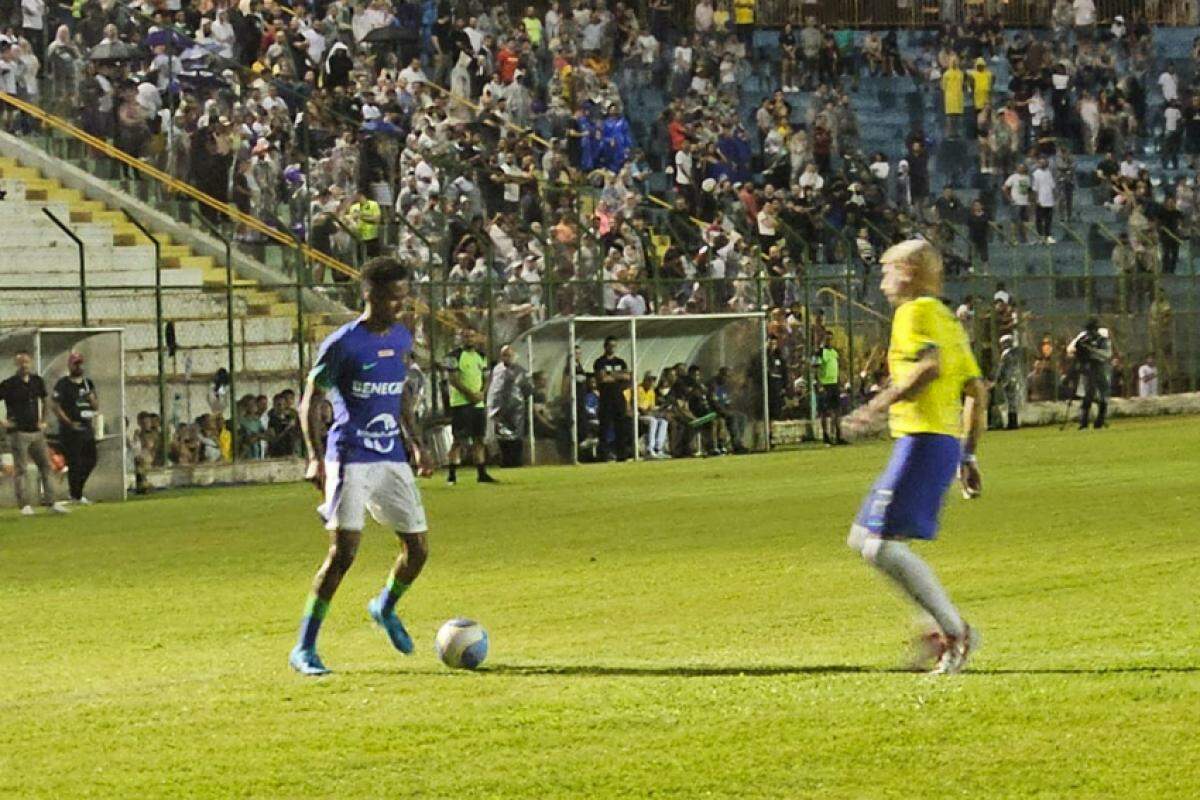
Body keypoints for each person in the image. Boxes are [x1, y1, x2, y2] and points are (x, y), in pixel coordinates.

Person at [842, 239, 987, 675]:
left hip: (922, 438)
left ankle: (954, 632)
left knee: (877, 546)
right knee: (864, 539)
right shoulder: (947, 319)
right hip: (939, 443)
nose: (884, 281)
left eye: (888, 271)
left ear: (907, 271)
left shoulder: (915, 313)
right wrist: (968, 456)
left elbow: (930, 367)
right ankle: (938, 626)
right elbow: (977, 391)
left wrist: (875, 405)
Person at [290, 257, 434, 677]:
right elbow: (309, 402)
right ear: (369, 295)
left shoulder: (402, 337)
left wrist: (416, 443)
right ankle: (304, 648)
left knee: (419, 549)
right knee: (343, 554)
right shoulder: (342, 344)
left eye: (404, 298)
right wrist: (315, 457)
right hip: (349, 455)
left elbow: (401, 394)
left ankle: (384, 607)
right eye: (392, 298)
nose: (399, 306)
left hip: (390, 456)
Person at [0, 352, 70, 516]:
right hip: (18, 432)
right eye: (21, 362)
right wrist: (3, 422)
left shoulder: (37, 381)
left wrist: (43, 420)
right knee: (21, 469)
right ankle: (24, 504)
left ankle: (52, 502)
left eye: (26, 362)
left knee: (46, 466)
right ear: (16, 364)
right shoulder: (9, 384)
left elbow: (46, 400)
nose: (24, 365)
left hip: (36, 431)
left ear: (30, 363)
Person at [443, 328, 497, 484]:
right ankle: (452, 475)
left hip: (478, 404)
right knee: (458, 439)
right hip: (461, 404)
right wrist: (470, 394)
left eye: (472, 336)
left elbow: (487, 377)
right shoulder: (453, 356)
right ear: (460, 338)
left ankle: (481, 474)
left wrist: (482, 393)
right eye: (465, 336)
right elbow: (453, 379)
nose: (469, 339)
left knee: (479, 439)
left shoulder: (482, 356)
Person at [50, 352, 99, 504]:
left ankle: (77, 491)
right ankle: (75, 494)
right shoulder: (63, 384)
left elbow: (96, 406)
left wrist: (91, 398)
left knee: (91, 459)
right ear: (70, 365)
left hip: (86, 427)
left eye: (80, 364)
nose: (79, 367)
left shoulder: (87, 383)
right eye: (76, 364)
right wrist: (69, 423)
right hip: (71, 429)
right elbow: (56, 406)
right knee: (75, 462)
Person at [486, 345, 531, 468]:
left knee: (516, 438)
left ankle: (516, 462)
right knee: (502, 437)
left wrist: (518, 402)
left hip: (515, 410)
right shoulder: (496, 370)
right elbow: (493, 387)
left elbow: (527, 389)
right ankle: (506, 461)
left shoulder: (520, 371)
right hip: (499, 410)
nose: (506, 358)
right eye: (504, 355)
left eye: (508, 355)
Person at [1067, 319, 1113, 430]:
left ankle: (1100, 420)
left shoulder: (1103, 340)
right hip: (1087, 368)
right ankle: (1084, 422)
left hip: (1100, 367)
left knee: (1103, 394)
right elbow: (1071, 350)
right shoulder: (1083, 339)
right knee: (1088, 395)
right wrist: (1078, 351)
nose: (1090, 333)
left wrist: (1092, 350)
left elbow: (1107, 355)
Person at [593, 335, 631, 461]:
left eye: (614, 346)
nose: (612, 348)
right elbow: (602, 378)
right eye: (610, 346)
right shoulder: (600, 362)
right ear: (605, 346)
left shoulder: (620, 362)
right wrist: (618, 376)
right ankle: (603, 454)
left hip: (619, 398)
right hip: (606, 399)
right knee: (605, 426)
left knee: (621, 426)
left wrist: (612, 375)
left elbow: (627, 377)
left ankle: (622, 454)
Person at [814, 332, 846, 446]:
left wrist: (840, 382)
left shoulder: (834, 352)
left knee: (836, 411)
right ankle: (826, 436)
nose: (829, 341)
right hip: (825, 384)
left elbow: (837, 368)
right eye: (827, 339)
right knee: (824, 411)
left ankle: (837, 435)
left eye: (831, 339)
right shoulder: (819, 352)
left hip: (834, 384)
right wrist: (819, 384)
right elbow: (815, 369)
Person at [992, 334, 1024, 430]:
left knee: (1010, 401)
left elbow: (1002, 368)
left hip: (1008, 379)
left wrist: (997, 379)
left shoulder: (1005, 354)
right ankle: (1014, 422)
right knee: (1013, 402)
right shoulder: (1016, 353)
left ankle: (1012, 423)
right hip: (1016, 378)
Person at [636, 371, 669, 459]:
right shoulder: (638, 389)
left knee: (663, 421)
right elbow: (639, 407)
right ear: (645, 379)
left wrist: (661, 408)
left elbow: (651, 407)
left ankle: (658, 448)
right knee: (653, 421)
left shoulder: (651, 392)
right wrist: (650, 413)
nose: (652, 382)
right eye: (650, 379)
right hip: (639, 415)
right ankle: (649, 449)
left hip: (648, 414)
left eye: (653, 380)